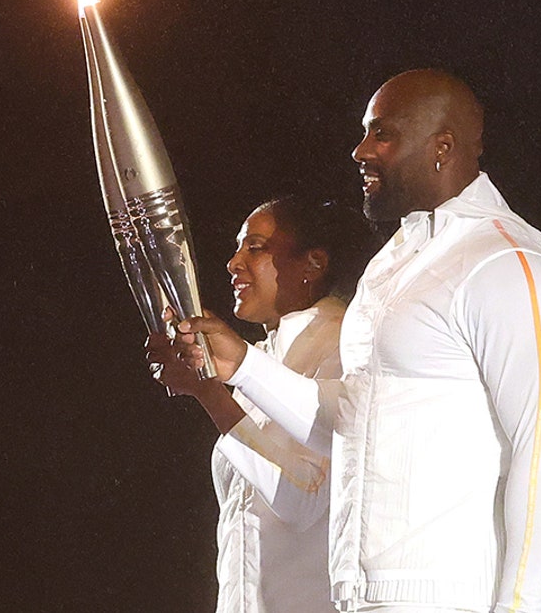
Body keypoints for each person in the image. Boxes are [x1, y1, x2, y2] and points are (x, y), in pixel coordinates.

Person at [175, 69, 541, 613]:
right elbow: (350, 419)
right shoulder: (390, 270)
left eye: (382, 135)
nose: (359, 151)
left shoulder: (506, 264)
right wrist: (242, 367)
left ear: (442, 147)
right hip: (362, 597)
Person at [146, 196, 374, 613]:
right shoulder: (267, 357)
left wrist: (214, 394)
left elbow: (304, 498)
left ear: (312, 263)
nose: (234, 263)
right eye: (238, 248)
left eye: (255, 247)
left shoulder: (342, 345)